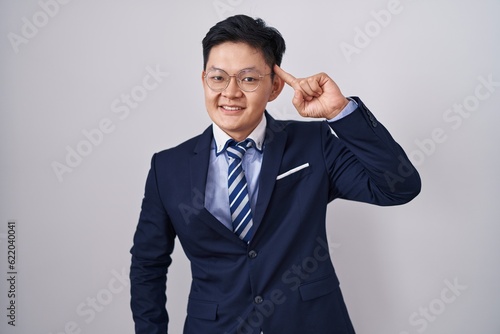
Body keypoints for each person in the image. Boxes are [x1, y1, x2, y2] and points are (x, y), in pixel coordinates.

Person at [130, 14, 421, 334]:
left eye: (248, 79)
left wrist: (340, 113)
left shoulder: (314, 144)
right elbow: (147, 265)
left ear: (275, 86)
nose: (230, 92)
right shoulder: (167, 167)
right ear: (204, 81)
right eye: (218, 78)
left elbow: (398, 187)